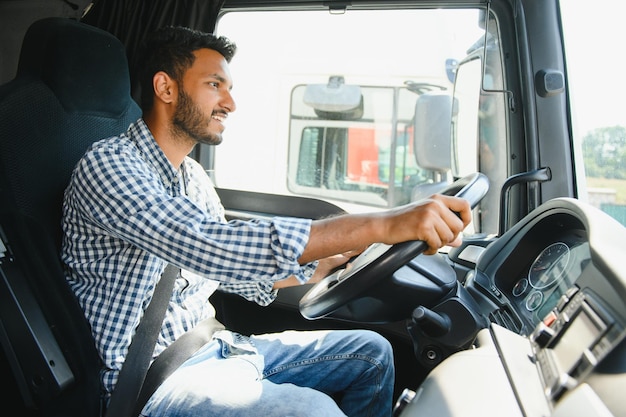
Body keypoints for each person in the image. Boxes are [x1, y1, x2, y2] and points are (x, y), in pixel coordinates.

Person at [61, 26, 471, 417]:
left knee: (372, 353)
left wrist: (324, 265)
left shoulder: (192, 177)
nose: (230, 103)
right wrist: (383, 223)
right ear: (166, 88)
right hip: (152, 380)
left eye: (229, 88)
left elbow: (233, 276)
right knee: (315, 412)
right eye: (214, 85)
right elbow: (211, 244)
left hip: (215, 346)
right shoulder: (108, 165)